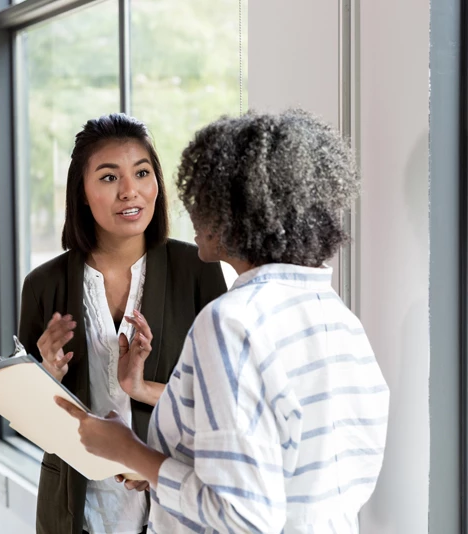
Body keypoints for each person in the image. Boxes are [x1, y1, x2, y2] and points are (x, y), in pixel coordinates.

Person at [56, 109, 390, 533]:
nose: (191, 211)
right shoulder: (338, 318)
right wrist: (159, 462)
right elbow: (282, 467)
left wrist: (128, 450)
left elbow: (241, 516)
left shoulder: (232, 323)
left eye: (203, 196)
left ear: (239, 211)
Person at [18, 113, 227, 534]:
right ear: (82, 193)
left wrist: (142, 391)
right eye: (109, 178)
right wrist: (46, 377)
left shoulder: (197, 270)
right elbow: (28, 422)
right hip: (78, 510)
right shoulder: (44, 285)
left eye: (142, 173)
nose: (130, 191)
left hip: (172, 502)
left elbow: (222, 402)